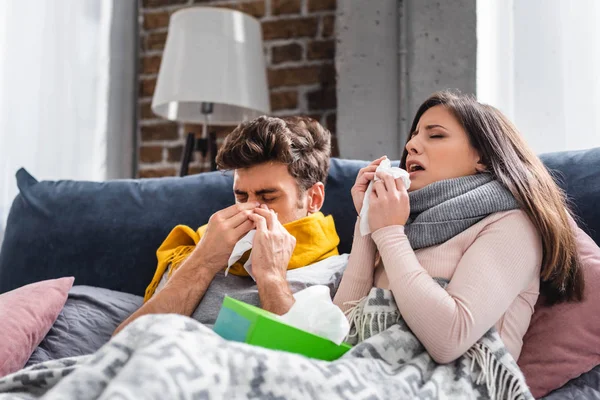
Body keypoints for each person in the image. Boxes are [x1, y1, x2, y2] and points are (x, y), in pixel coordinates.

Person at [334, 91, 584, 363]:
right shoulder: (402, 227)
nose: (411, 146)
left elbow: (449, 339)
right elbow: (339, 331)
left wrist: (390, 234)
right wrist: (368, 222)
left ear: (483, 158)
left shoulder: (513, 224)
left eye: (436, 135)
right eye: (414, 136)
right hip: (368, 376)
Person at [114, 116, 346, 336]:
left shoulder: (340, 272)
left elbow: (308, 363)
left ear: (313, 198)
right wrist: (204, 261)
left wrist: (271, 278)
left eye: (268, 197)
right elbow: (123, 343)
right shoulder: (198, 250)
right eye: (242, 196)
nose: (250, 210)